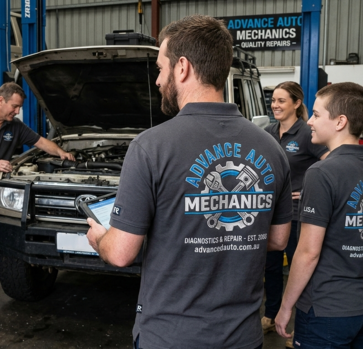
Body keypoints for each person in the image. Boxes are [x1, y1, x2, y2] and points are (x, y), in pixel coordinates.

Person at [87, 15, 293, 349]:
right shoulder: (271, 148)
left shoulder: (150, 147)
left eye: (160, 68)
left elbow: (122, 253)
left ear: (182, 68)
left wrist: (100, 238)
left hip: (170, 337)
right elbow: (279, 239)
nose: (157, 80)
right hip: (243, 337)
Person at [275, 82, 363, 348]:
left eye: (316, 115)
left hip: (326, 309)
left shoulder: (321, 172)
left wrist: (285, 306)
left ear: (340, 121)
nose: (310, 122)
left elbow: (308, 252)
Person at [0, 82, 75, 317]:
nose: (17, 111)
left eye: (19, 107)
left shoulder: (14, 126)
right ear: (1, 100)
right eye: (15, 106)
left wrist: (61, 152)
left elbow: (40, 142)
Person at [261, 82, 329, 347]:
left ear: (296, 103)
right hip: (273, 215)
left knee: (301, 269)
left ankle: (300, 327)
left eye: (282, 101)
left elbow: (331, 162)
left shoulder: (306, 133)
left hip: (300, 215)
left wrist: (310, 189)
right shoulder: (268, 133)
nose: (275, 105)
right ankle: (270, 315)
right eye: (274, 100)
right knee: (272, 266)